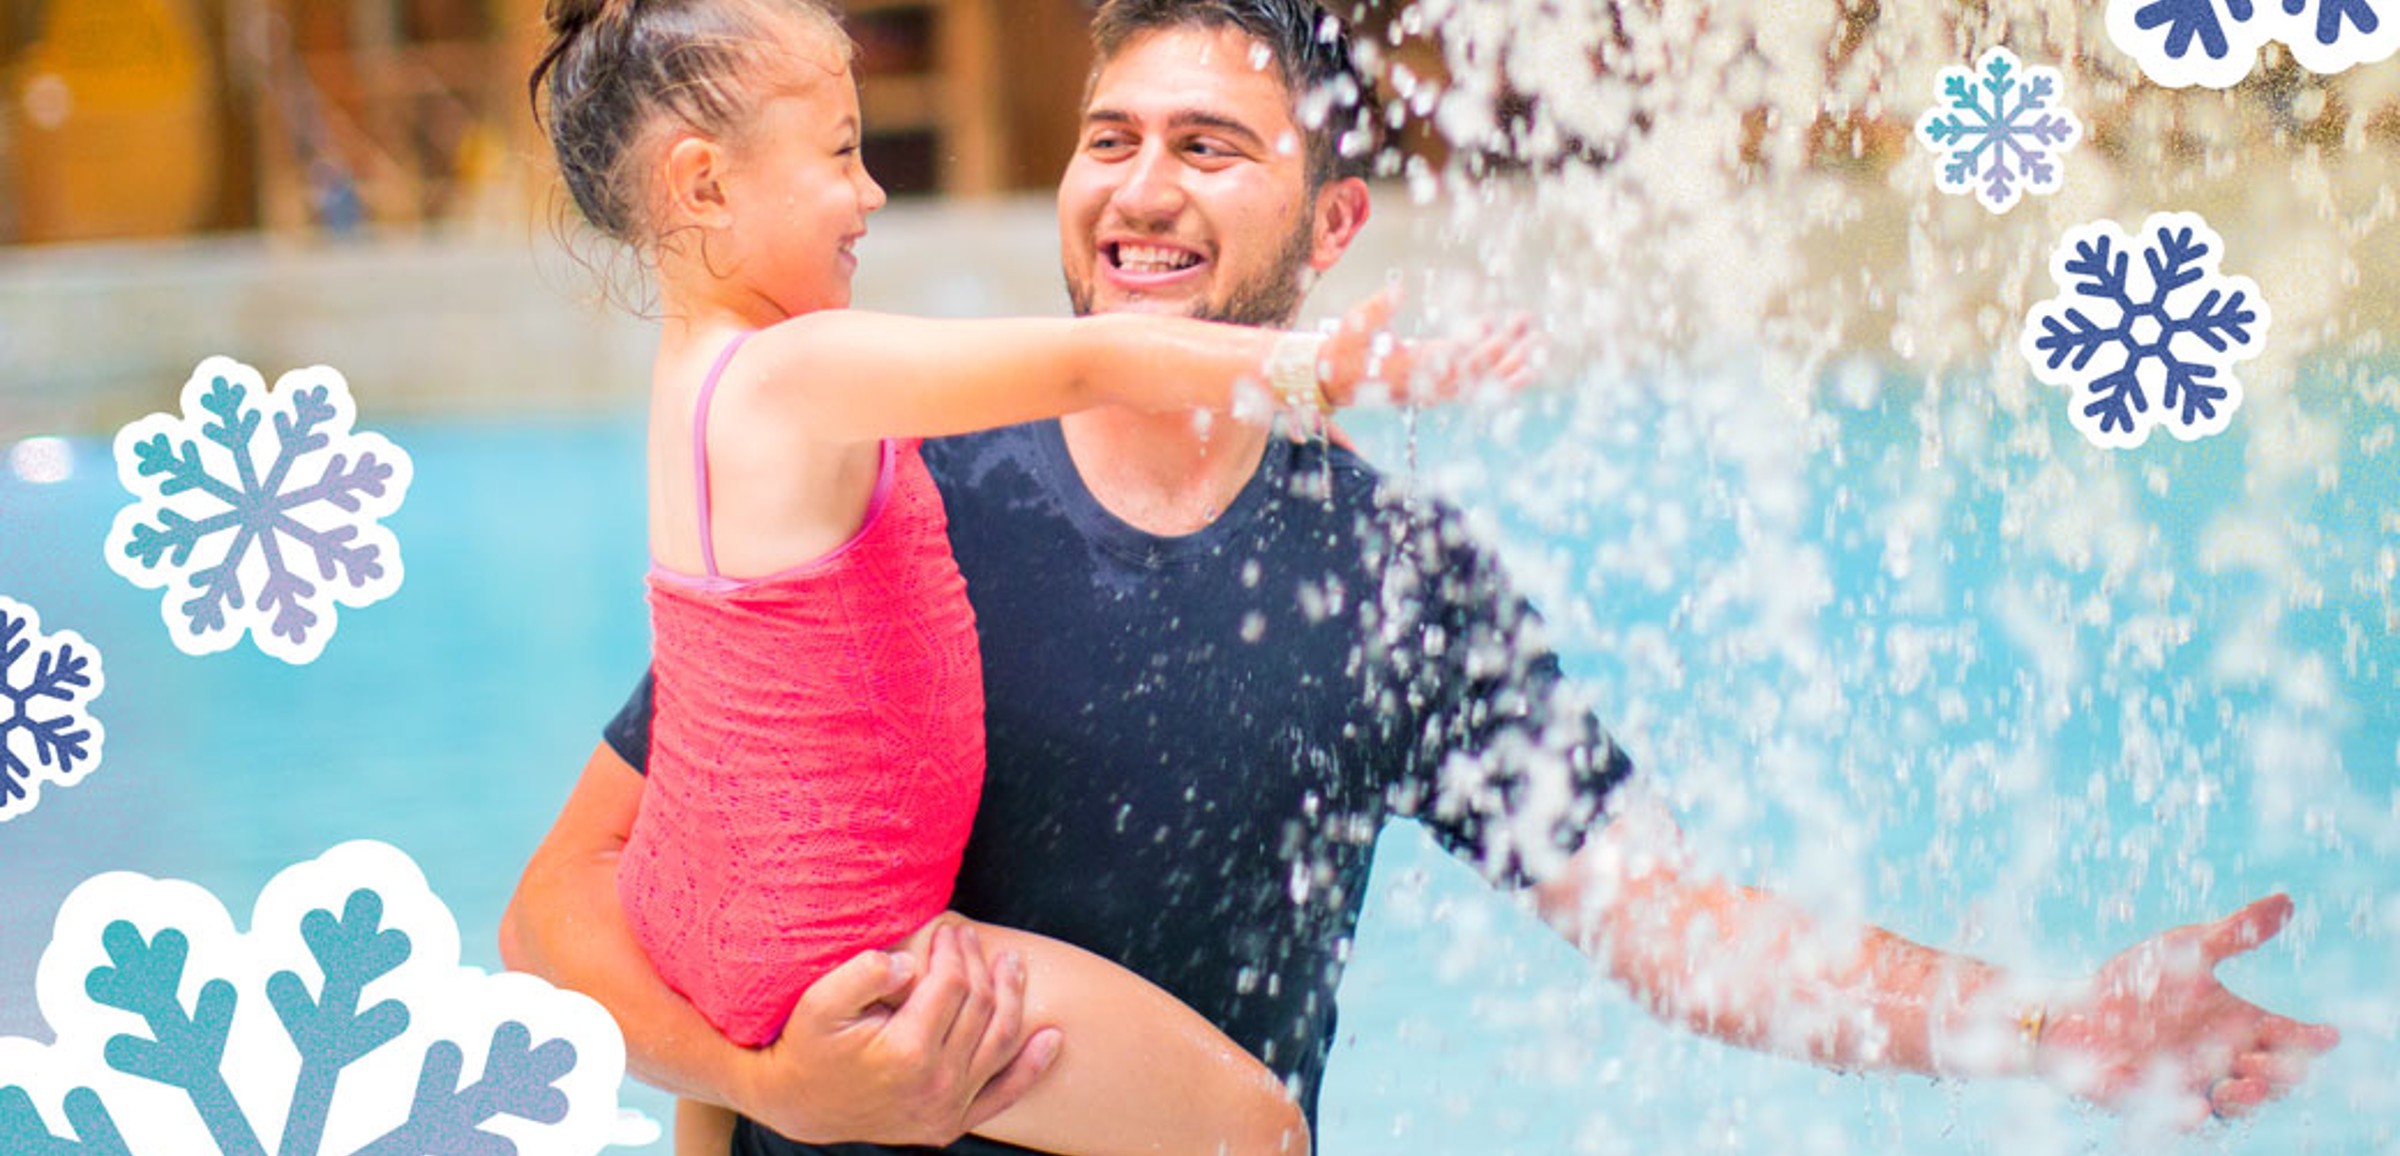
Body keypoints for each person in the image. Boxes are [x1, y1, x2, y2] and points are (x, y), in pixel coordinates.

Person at [502, 2, 2343, 1153]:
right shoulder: (895, 489)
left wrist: (2043, 1021)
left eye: (1211, 149)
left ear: (1335, 227)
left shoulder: (1392, 580)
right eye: (1108, 141)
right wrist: (771, 1088)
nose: (1139, 189)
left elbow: (1674, 930)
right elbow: (570, 905)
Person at [523, 0, 1529, 1152]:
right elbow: (1088, 361)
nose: (871, 192)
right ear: (703, 186)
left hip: (707, 909)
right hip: (857, 949)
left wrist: (1266, 463)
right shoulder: (797, 372)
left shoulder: (703, 387)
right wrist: (1305, 372)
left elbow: (710, 757)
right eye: (842, 152)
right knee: (1255, 1130)